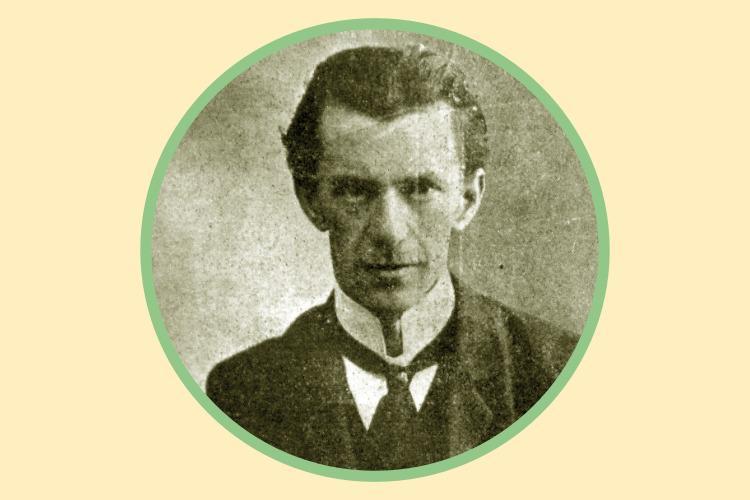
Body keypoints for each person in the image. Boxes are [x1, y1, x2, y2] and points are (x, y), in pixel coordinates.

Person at [206, 45, 578, 470]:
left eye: (419, 189)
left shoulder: (555, 373)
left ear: (467, 198)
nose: (389, 231)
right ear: (311, 200)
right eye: (354, 191)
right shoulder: (244, 394)